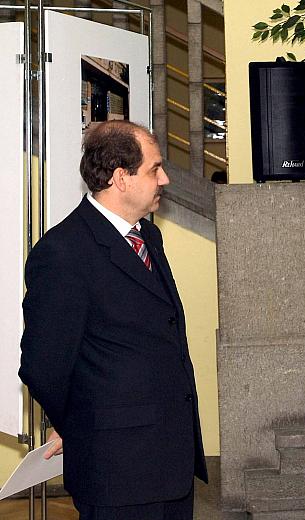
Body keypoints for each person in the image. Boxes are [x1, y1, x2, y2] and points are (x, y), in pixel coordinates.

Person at [19, 120, 207, 519]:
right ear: (121, 178)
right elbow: (43, 366)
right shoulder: (64, 252)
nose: (166, 179)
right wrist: (81, 425)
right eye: (155, 169)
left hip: (169, 462)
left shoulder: (147, 237)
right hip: (117, 470)